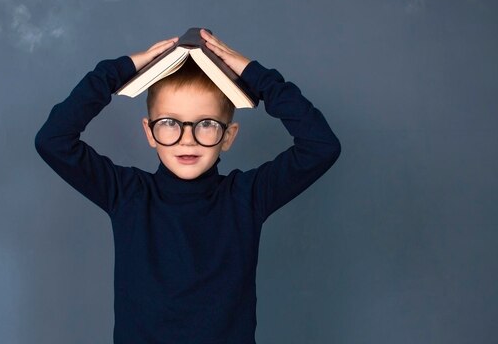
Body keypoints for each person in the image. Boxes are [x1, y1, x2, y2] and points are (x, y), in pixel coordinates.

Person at [35, 29, 341, 344]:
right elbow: (53, 140)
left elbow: (320, 146)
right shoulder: (127, 193)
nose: (187, 138)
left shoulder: (247, 197)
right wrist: (119, 71)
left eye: (206, 123)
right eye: (169, 122)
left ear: (229, 135)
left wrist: (255, 76)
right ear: (149, 131)